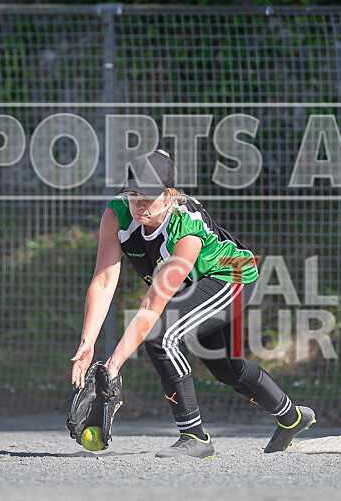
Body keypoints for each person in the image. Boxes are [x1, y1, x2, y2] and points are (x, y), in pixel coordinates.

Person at [70, 149, 315, 458]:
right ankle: (292, 417)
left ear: (171, 196)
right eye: (133, 193)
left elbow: (152, 304)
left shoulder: (186, 228)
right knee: (226, 368)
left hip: (231, 273)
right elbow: (104, 280)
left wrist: (114, 365)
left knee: (161, 335)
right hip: (192, 287)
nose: (139, 202)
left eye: (148, 194)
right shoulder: (117, 214)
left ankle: (195, 437)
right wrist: (87, 342)